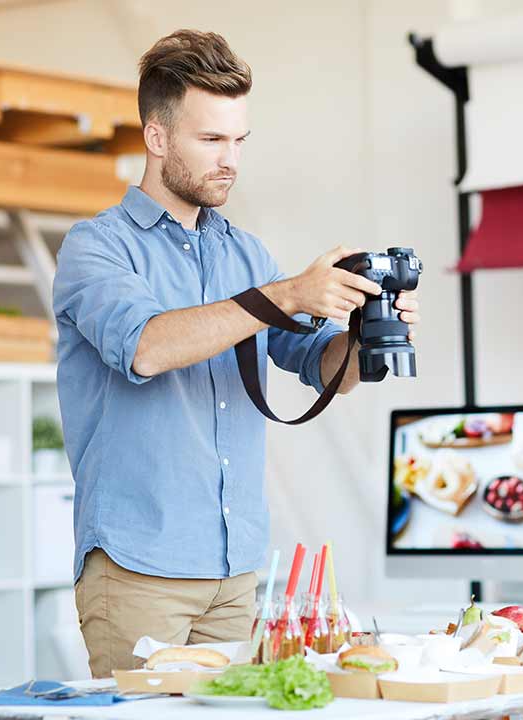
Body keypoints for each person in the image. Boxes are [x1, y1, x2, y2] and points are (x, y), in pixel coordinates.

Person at [51, 29, 420, 677]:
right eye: (211, 140)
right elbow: (146, 347)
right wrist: (287, 293)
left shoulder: (244, 254)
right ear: (156, 137)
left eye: (239, 140)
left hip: (239, 571)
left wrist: (364, 337)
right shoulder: (97, 248)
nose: (231, 160)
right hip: (140, 573)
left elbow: (319, 368)